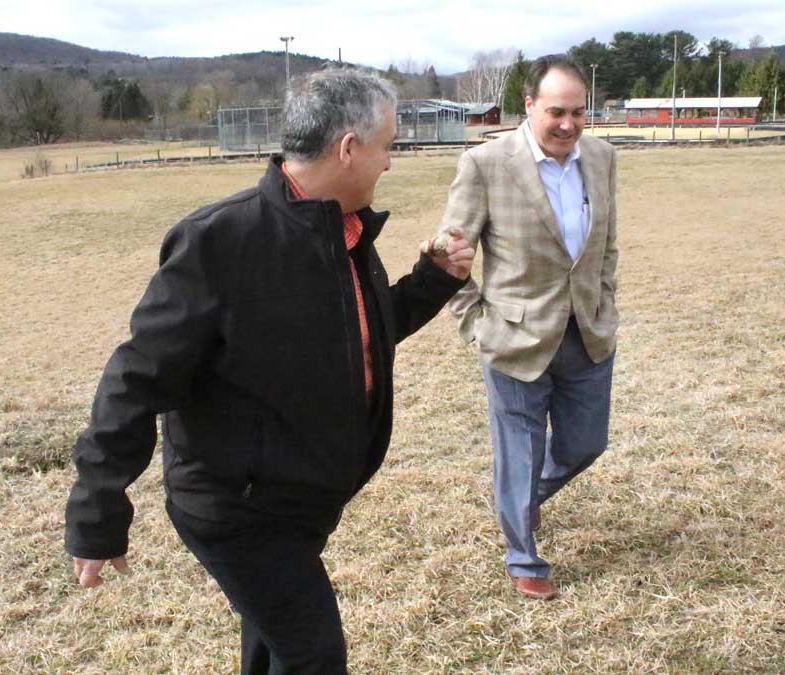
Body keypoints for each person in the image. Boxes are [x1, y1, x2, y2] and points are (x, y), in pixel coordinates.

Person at [64, 68, 474, 674]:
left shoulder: (343, 229)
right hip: (239, 509)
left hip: (301, 500)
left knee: (275, 639)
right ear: (348, 149)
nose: (390, 162)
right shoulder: (220, 240)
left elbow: (359, 333)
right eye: (387, 146)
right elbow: (135, 377)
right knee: (313, 655)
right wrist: (97, 509)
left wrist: (435, 280)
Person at [438, 55, 618, 601]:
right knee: (518, 450)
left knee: (586, 444)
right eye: (557, 112)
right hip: (512, 339)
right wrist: (477, 327)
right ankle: (523, 554)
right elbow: (451, 256)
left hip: (586, 332)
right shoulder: (486, 164)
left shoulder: (604, 157)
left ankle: (520, 497)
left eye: (579, 113)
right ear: (529, 106)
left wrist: (605, 300)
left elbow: (605, 246)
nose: (568, 124)